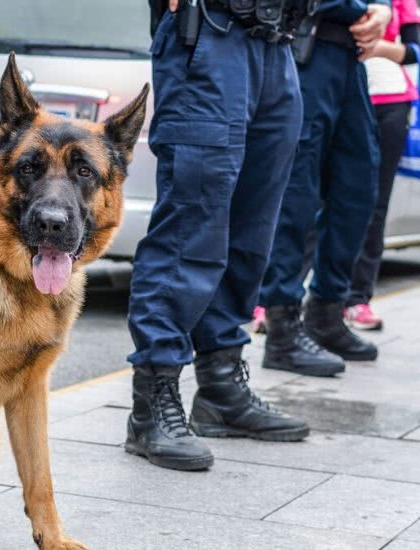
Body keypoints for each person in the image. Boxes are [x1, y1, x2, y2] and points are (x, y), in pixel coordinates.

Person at [127, 0, 315, 471]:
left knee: (253, 230)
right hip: (210, 32)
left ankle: (221, 387)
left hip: (278, 44)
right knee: (191, 226)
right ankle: (153, 402)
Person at [261, 0, 392, 377]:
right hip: (304, 50)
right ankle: (282, 328)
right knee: (296, 195)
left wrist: (381, 9)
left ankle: (326, 312)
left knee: (358, 187)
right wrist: (360, 9)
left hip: (349, 59)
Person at [347, 0, 420, 330]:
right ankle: (275, 301)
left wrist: (378, 47)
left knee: (375, 205)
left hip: (390, 104)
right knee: (314, 198)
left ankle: (357, 299)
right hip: (339, 93)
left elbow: (415, 50)